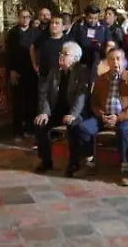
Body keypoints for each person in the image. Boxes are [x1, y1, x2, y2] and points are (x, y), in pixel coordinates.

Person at [68, 47, 128, 186]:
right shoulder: (101, 79)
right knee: (81, 128)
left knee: (123, 130)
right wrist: (102, 115)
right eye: (112, 59)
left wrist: (118, 117)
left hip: (124, 117)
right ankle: (90, 161)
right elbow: (94, 103)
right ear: (107, 62)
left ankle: (124, 169)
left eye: (118, 59)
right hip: (103, 116)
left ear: (124, 61)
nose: (115, 62)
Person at [32, 41, 91, 173]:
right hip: (56, 111)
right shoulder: (54, 71)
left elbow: (81, 97)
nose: (61, 56)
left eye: (65, 54)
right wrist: (45, 113)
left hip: (75, 112)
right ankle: (46, 161)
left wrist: (73, 114)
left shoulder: (82, 71)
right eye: (60, 53)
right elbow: (46, 94)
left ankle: (74, 163)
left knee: (74, 126)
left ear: (76, 58)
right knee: (40, 123)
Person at [4, 9, 40, 139]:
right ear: (18, 18)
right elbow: (9, 53)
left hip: (32, 71)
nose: (25, 19)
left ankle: (30, 128)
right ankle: (18, 130)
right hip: (18, 71)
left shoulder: (35, 32)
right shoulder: (12, 33)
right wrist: (12, 70)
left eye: (27, 17)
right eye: (23, 17)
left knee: (32, 100)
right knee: (18, 101)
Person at [32, 14, 67, 79]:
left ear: (63, 27)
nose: (54, 25)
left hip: (62, 77)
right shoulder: (43, 38)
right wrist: (35, 65)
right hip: (44, 76)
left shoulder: (68, 40)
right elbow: (32, 48)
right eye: (52, 23)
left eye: (57, 23)